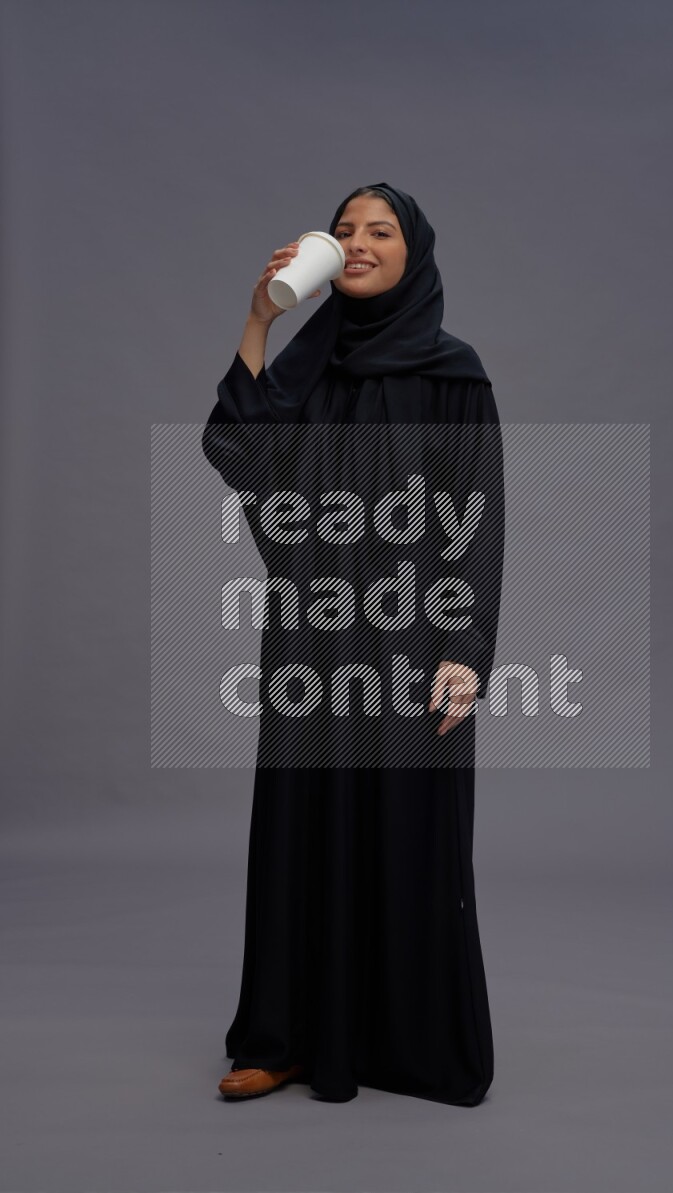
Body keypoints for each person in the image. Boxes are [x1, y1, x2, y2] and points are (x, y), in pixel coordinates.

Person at [202, 182, 505, 1105]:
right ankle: (285, 1038)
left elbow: (474, 515)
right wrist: (258, 323)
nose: (358, 243)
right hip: (312, 634)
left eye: (379, 231)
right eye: (343, 231)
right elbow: (238, 448)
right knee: (300, 831)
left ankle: (404, 1044)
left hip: (416, 634)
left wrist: (465, 646)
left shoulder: (453, 373)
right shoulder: (308, 364)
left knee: (409, 834)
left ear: (413, 252)